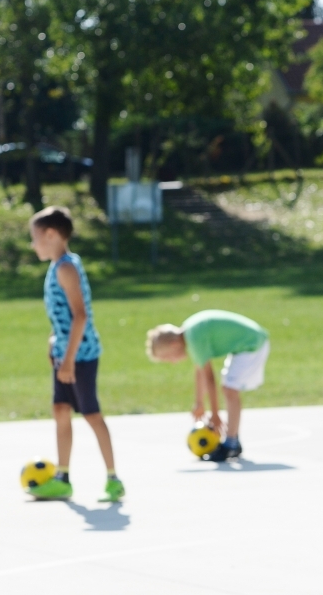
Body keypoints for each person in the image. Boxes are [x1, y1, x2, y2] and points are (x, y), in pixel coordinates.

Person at [29, 206, 124, 501]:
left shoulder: (66, 268)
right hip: (64, 351)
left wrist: (69, 359)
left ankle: (113, 479)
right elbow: (63, 316)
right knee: (60, 410)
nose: (33, 245)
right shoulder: (58, 265)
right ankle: (63, 477)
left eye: (35, 238)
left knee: (92, 415)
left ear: (52, 234)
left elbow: (80, 316)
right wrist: (53, 342)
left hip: (80, 355)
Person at [145, 309, 269, 461]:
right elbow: (200, 371)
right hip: (248, 341)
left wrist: (215, 415)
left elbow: (210, 379)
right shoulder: (191, 333)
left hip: (251, 343)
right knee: (229, 387)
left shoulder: (195, 338)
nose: (172, 362)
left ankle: (231, 444)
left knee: (230, 389)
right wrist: (199, 403)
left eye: (168, 357)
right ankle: (233, 440)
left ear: (174, 344)